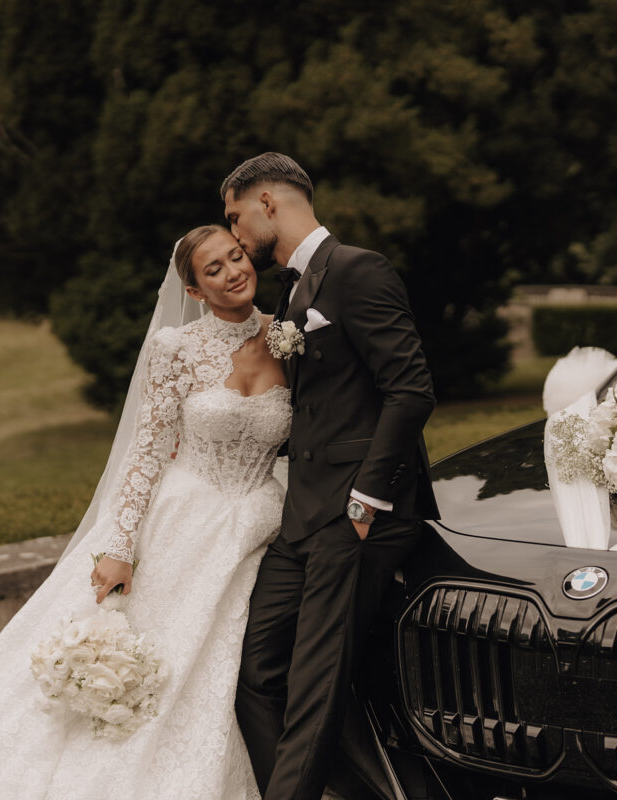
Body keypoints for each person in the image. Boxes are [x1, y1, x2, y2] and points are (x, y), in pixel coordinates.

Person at [0, 225, 290, 799]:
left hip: (255, 526)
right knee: (132, 648)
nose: (232, 272)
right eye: (213, 269)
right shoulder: (176, 348)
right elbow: (146, 452)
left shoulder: (286, 338)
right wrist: (119, 547)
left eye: (235, 256)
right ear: (195, 291)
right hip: (180, 521)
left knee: (210, 661)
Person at [224, 153, 439, 800]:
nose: (235, 235)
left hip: (356, 515)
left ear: (268, 201)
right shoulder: (292, 289)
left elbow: (411, 391)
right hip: (303, 515)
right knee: (255, 673)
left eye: (235, 217)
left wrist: (366, 501)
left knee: (314, 687)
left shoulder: (357, 269)